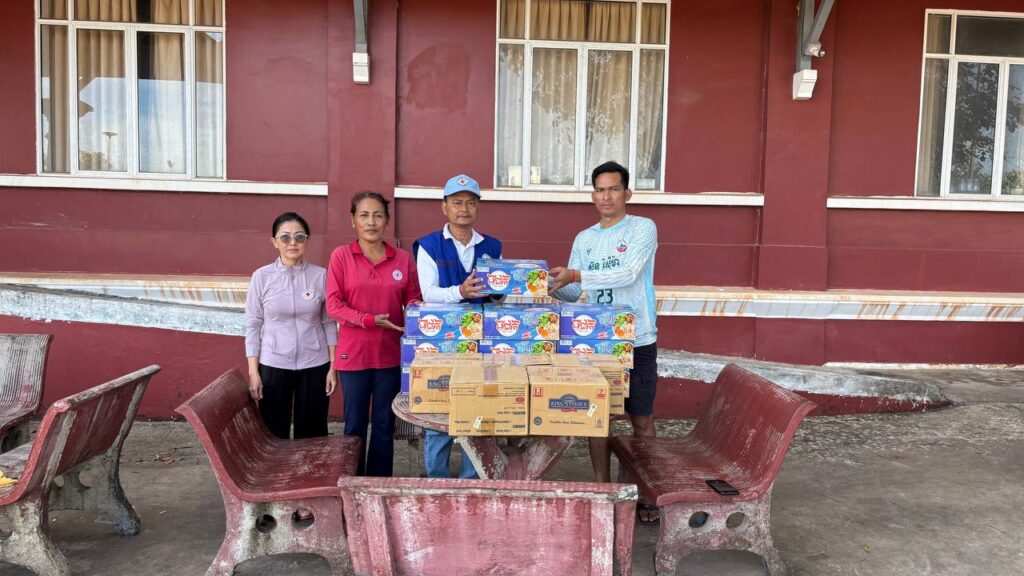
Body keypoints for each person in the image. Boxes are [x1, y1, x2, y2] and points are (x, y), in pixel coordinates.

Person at [549, 160, 659, 522]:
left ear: (628, 193)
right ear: (592, 196)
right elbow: (575, 290)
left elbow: (628, 274)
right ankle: (602, 489)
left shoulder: (643, 228)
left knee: (641, 421)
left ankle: (645, 492)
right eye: (600, 189)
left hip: (637, 339)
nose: (606, 196)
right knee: (597, 418)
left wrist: (575, 274)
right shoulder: (585, 239)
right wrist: (547, 285)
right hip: (597, 342)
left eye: (613, 189)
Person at [412, 174, 502, 479]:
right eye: (457, 202)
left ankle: (471, 478)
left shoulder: (492, 246)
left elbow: (497, 294)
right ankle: (436, 478)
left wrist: (502, 289)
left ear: (478, 207)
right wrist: (461, 292)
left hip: (481, 340)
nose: (464, 208)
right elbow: (429, 294)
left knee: (477, 403)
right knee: (440, 404)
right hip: (441, 340)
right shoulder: (429, 245)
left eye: (471, 203)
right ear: (445, 207)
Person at [327, 191, 421, 477]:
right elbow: (333, 305)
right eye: (364, 215)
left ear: (387, 221)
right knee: (354, 426)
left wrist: (417, 322)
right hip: (353, 356)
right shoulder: (342, 256)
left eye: (378, 215)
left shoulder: (402, 259)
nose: (371, 222)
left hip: (390, 356)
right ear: (353, 220)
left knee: (384, 425)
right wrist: (368, 320)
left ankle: (378, 486)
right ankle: (352, 486)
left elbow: (414, 301)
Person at [245, 212, 338, 440]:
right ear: (274, 242)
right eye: (285, 237)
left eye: (299, 237)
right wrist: (253, 372)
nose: (292, 243)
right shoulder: (261, 277)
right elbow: (253, 325)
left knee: (312, 434)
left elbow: (329, 323)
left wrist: (333, 367)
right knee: (273, 433)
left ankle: (311, 466)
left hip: (315, 364)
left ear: (307, 240)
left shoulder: (321, 276)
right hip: (273, 364)